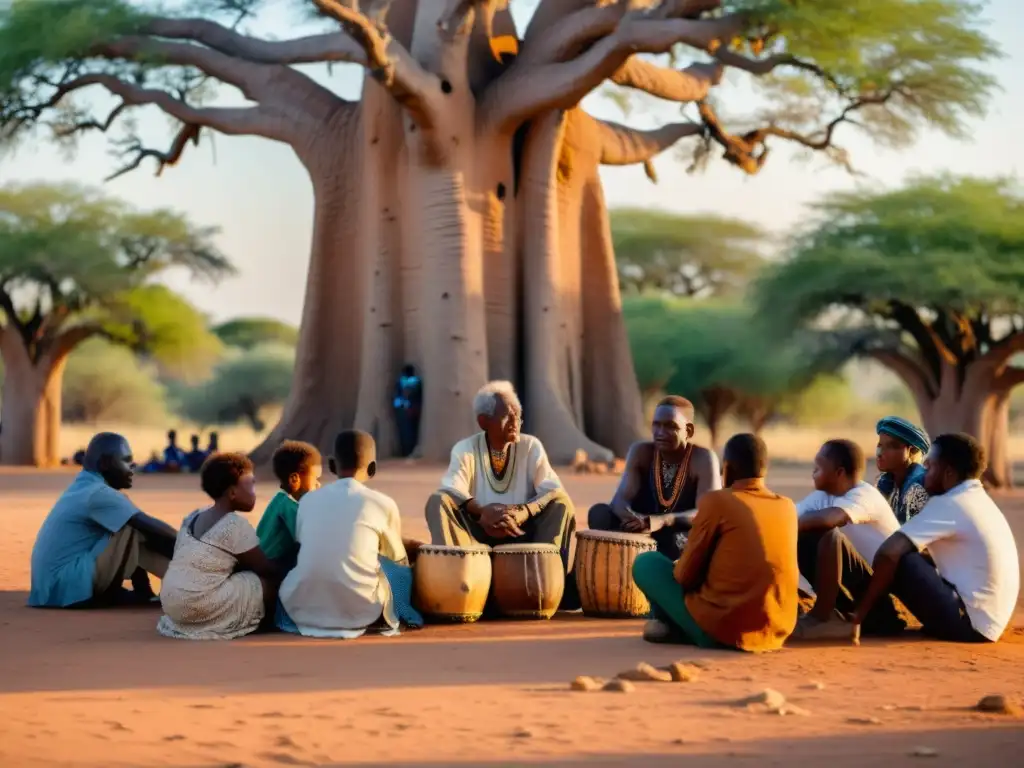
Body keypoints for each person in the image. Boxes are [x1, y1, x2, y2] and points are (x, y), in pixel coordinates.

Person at [632, 433, 799, 651]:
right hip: (776, 630)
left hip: (721, 631)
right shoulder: (787, 506)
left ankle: (671, 624)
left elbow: (684, 577)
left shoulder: (718, 501)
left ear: (727, 468)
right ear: (764, 469)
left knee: (647, 563)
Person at [849, 433, 1020, 644]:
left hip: (969, 625)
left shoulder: (950, 503)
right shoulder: (975, 499)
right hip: (986, 622)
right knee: (909, 553)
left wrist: (862, 610)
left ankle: (868, 618)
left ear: (948, 472)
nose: (923, 474)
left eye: (929, 468)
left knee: (898, 557)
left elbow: (889, 552)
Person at [276, 430, 424, 638]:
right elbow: (397, 559)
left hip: (304, 609)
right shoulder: (382, 503)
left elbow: (305, 542)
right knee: (398, 569)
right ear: (372, 468)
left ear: (332, 465)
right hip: (363, 610)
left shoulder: (308, 501)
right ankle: (405, 615)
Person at [424, 381, 576, 575]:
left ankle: (548, 578)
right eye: (507, 416)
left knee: (562, 503)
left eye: (518, 416)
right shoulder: (465, 449)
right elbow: (452, 489)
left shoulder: (531, 447)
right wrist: (482, 512)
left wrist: (524, 512)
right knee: (438, 501)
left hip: (521, 534)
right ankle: (456, 579)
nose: (514, 423)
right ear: (483, 422)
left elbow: (553, 489)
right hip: (477, 535)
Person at [29, 433, 176, 608]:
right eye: (126, 460)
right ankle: (180, 583)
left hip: (52, 588)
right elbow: (154, 531)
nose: (133, 466)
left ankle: (159, 588)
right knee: (133, 527)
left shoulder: (86, 486)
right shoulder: (99, 493)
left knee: (131, 524)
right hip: (66, 586)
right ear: (105, 463)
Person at [157, 453, 283, 640]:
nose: (255, 491)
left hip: (171, 603)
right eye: (251, 484)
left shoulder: (193, 516)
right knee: (263, 583)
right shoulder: (234, 524)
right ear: (232, 492)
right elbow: (264, 568)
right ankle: (267, 623)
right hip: (196, 604)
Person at [791, 439, 906, 640]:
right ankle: (836, 612)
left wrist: (785, 523)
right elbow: (792, 515)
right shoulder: (824, 496)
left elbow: (831, 519)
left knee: (827, 534)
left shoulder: (864, 495)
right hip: (857, 589)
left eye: (818, 468)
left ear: (839, 473)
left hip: (878, 594)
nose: (813, 473)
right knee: (801, 534)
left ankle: (826, 618)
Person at [588, 396, 721, 560]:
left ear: (689, 431)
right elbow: (620, 499)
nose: (660, 433)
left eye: (670, 426)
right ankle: (611, 574)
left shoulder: (703, 459)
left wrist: (665, 520)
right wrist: (632, 518)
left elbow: (708, 512)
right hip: (643, 526)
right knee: (600, 514)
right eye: (656, 425)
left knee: (677, 541)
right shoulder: (641, 452)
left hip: (677, 529)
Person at [256, 440, 322, 568]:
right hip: (270, 568)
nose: (318, 485)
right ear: (294, 479)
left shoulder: (279, 500)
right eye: (315, 480)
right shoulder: (290, 506)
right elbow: (307, 539)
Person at [875, 416, 931, 524]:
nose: (880, 453)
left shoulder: (918, 486)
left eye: (890, 446)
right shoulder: (886, 482)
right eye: (880, 445)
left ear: (911, 451)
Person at [392, 364, 423, 458]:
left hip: (402, 409)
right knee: (412, 430)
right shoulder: (417, 382)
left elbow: (397, 395)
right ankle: (409, 450)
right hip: (413, 409)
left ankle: (405, 451)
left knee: (404, 431)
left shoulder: (400, 381)